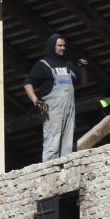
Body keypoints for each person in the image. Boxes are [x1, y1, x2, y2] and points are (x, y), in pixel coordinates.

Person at [23, 34, 88, 162]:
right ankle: (49, 171)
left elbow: (83, 82)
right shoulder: (43, 64)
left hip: (69, 108)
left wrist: (83, 68)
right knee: (53, 141)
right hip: (53, 109)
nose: (63, 48)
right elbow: (28, 83)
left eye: (64, 45)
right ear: (52, 46)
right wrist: (36, 101)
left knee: (67, 141)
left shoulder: (68, 64)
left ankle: (65, 168)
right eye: (59, 45)